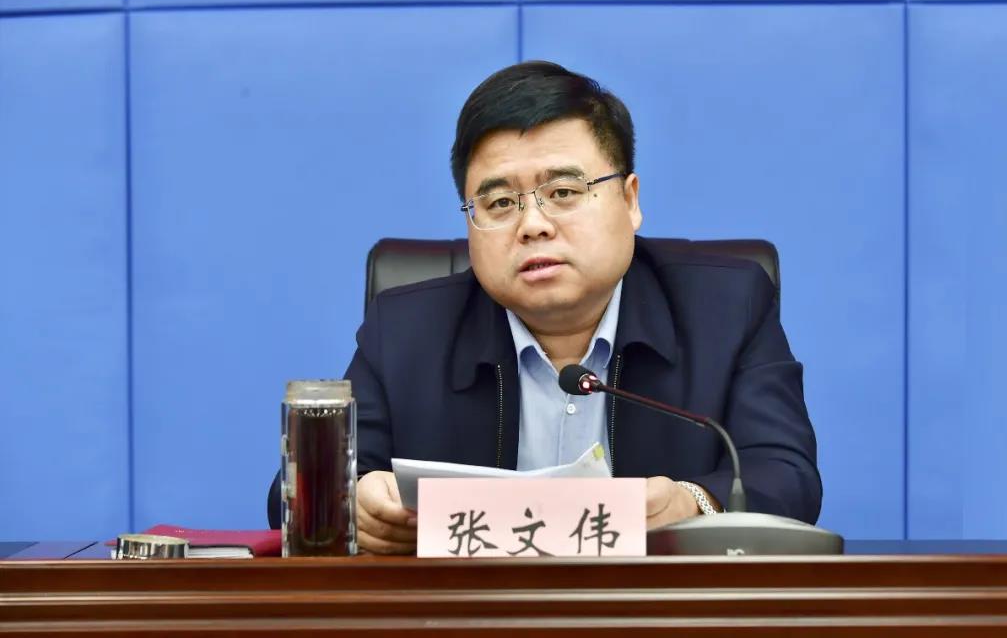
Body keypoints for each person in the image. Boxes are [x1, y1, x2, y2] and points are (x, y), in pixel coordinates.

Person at [268, 61, 821, 554]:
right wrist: (354, 502)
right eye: (500, 202)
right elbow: (293, 496)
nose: (533, 225)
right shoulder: (404, 330)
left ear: (630, 200)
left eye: (563, 193)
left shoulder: (726, 307)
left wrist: (693, 503)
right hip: (464, 617)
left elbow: (785, 475)